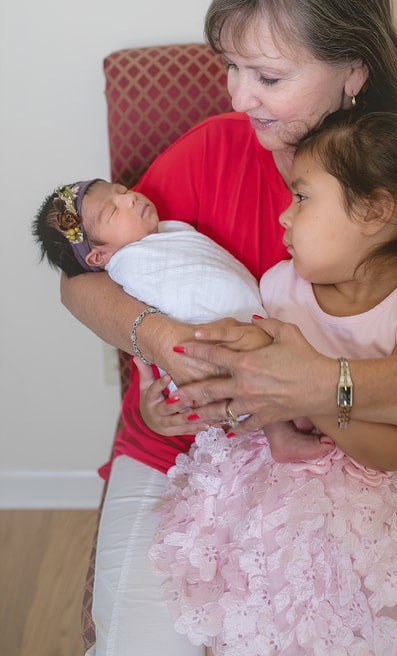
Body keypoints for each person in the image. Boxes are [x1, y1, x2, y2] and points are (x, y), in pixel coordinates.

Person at [58, 0, 397, 656]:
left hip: (349, 471)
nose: (239, 99)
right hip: (181, 451)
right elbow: (81, 285)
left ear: (354, 71)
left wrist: (327, 385)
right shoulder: (210, 149)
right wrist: (161, 340)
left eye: (269, 77)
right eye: (230, 67)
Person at [148, 109, 397, 655]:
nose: (284, 217)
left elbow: (391, 449)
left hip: (378, 507)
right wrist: (178, 403)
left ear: (372, 210)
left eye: (303, 198)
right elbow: (244, 393)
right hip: (277, 492)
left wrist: (306, 394)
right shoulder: (278, 287)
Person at [33, 179, 330, 462]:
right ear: (98, 257)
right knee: (256, 375)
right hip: (208, 348)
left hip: (250, 323)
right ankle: (281, 437)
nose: (129, 197)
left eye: (121, 190)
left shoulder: (166, 232)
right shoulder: (128, 266)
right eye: (113, 209)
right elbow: (81, 291)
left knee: (283, 372)